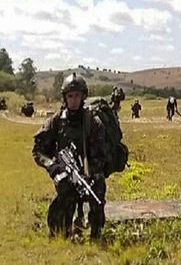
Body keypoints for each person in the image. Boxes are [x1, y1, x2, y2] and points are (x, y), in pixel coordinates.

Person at [32, 73, 108, 240]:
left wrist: (89, 173)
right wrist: (53, 166)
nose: (74, 100)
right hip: (64, 171)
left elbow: (101, 155)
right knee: (65, 188)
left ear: (83, 97)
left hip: (87, 172)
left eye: (77, 96)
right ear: (65, 98)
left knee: (98, 186)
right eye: (70, 96)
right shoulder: (56, 121)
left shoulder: (93, 122)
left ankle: (95, 233)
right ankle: (62, 231)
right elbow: (38, 150)